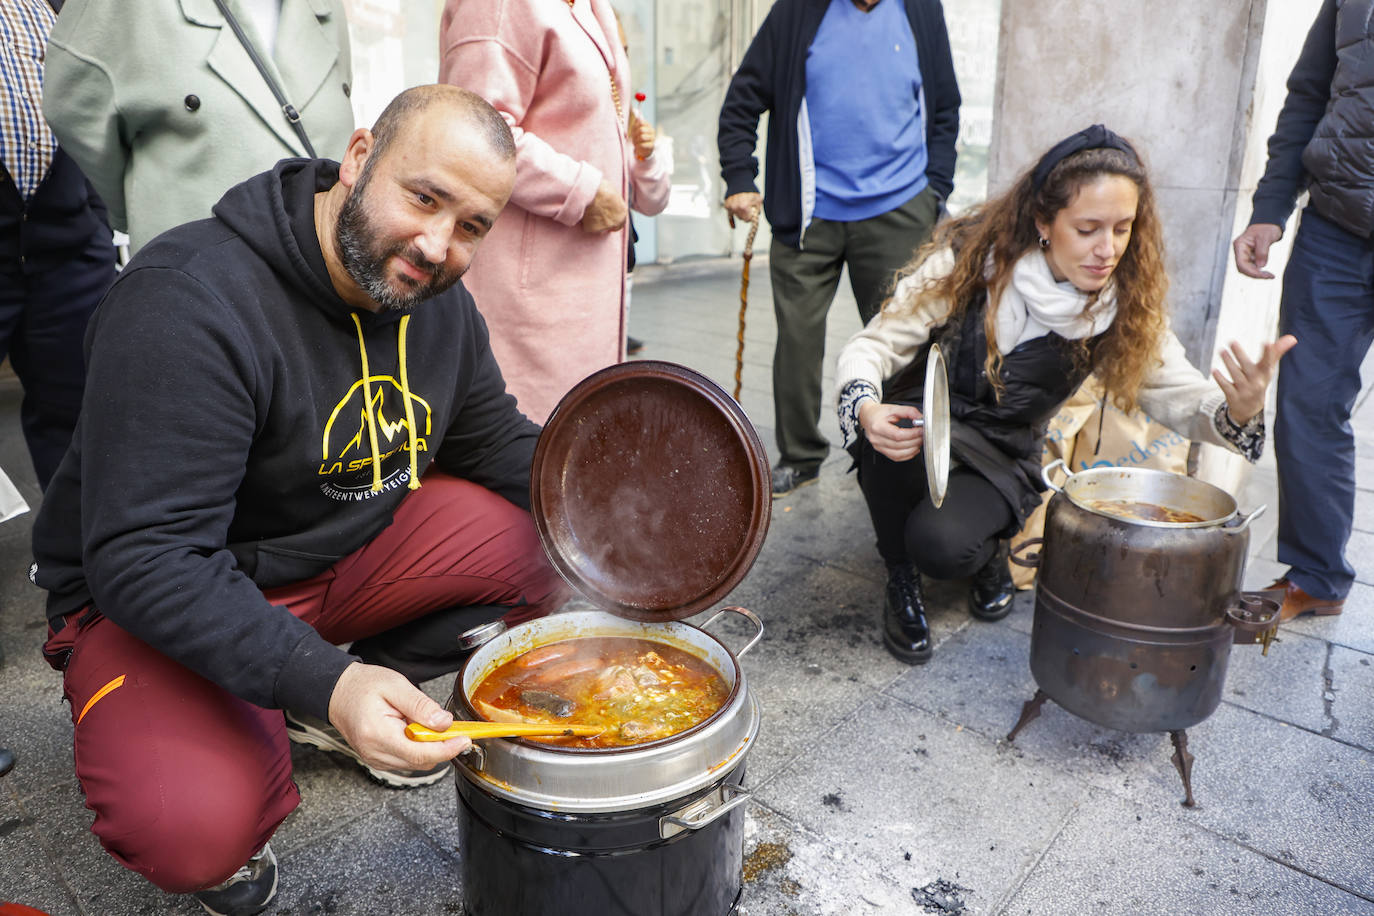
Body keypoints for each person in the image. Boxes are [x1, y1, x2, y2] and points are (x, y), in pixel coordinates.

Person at [30, 85, 567, 916]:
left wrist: (616, 509)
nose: (436, 245)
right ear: (358, 159)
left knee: (555, 546)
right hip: (159, 598)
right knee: (191, 826)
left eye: (472, 227)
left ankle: (314, 695)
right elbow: (148, 560)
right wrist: (329, 682)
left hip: (335, 562)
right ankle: (291, 706)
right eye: (423, 197)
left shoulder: (440, 308)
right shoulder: (188, 299)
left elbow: (494, 442)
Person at [836, 125, 1296, 664]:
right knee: (882, 448)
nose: (1108, 250)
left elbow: (1181, 396)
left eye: (1123, 228)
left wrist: (1237, 409)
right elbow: (872, 347)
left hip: (1001, 448)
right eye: (1088, 228)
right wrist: (867, 408)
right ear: (1043, 223)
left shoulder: (1120, 308)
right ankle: (899, 579)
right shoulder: (969, 260)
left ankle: (986, 556)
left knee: (943, 546)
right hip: (929, 415)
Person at [718, 0, 961, 497]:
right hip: (809, 212)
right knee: (798, 341)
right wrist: (739, 177)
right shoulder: (797, 11)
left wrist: (934, 189)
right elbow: (743, 98)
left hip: (899, 209)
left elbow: (945, 108)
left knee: (903, 344)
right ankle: (801, 455)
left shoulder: (919, 9)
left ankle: (898, 454)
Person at [439, 0, 671, 424]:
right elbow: (476, 128)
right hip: (533, 288)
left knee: (571, 436)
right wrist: (581, 193)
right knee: (529, 444)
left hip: (575, 283)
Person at [1231, 0, 1367, 624]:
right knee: (1309, 403)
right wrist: (1270, 205)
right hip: (1336, 227)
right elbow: (1311, 92)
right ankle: (1316, 575)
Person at [42, 0, 356, 254]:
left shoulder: (326, 9)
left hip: (322, 294)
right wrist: (145, 201)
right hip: (195, 289)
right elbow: (76, 103)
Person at [1, 0, 117, 490]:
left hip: (69, 251)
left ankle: (75, 562)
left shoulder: (52, 9)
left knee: (84, 420)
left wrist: (96, 217)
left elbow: (91, 107)